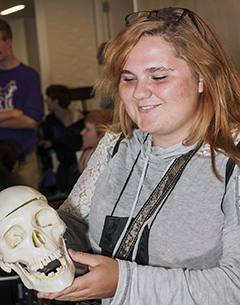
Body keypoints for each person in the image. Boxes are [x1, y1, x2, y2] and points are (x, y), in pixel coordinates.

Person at [38, 7, 240, 305]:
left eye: (158, 76)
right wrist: (35, 236)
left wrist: (124, 282)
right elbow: (74, 223)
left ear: (202, 77)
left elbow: (234, 286)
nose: (139, 93)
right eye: (128, 78)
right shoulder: (115, 144)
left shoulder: (232, 157)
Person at [0, 19, 44, 189]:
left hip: (24, 158)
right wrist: (12, 113)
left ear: (7, 42)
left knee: (26, 209)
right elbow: (22, 117)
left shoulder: (28, 75)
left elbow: (30, 120)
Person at [39, 84, 85, 194]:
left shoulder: (79, 119)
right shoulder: (50, 121)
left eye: (49, 98)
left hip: (79, 163)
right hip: (62, 163)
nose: (46, 101)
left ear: (56, 101)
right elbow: (47, 139)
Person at [78, 109, 113, 174]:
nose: (82, 132)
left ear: (102, 136)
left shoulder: (108, 160)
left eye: (88, 130)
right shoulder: (87, 152)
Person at [97, 42, 115, 110]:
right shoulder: (106, 72)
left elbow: (106, 103)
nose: (97, 56)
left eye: (99, 53)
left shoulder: (112, 74)